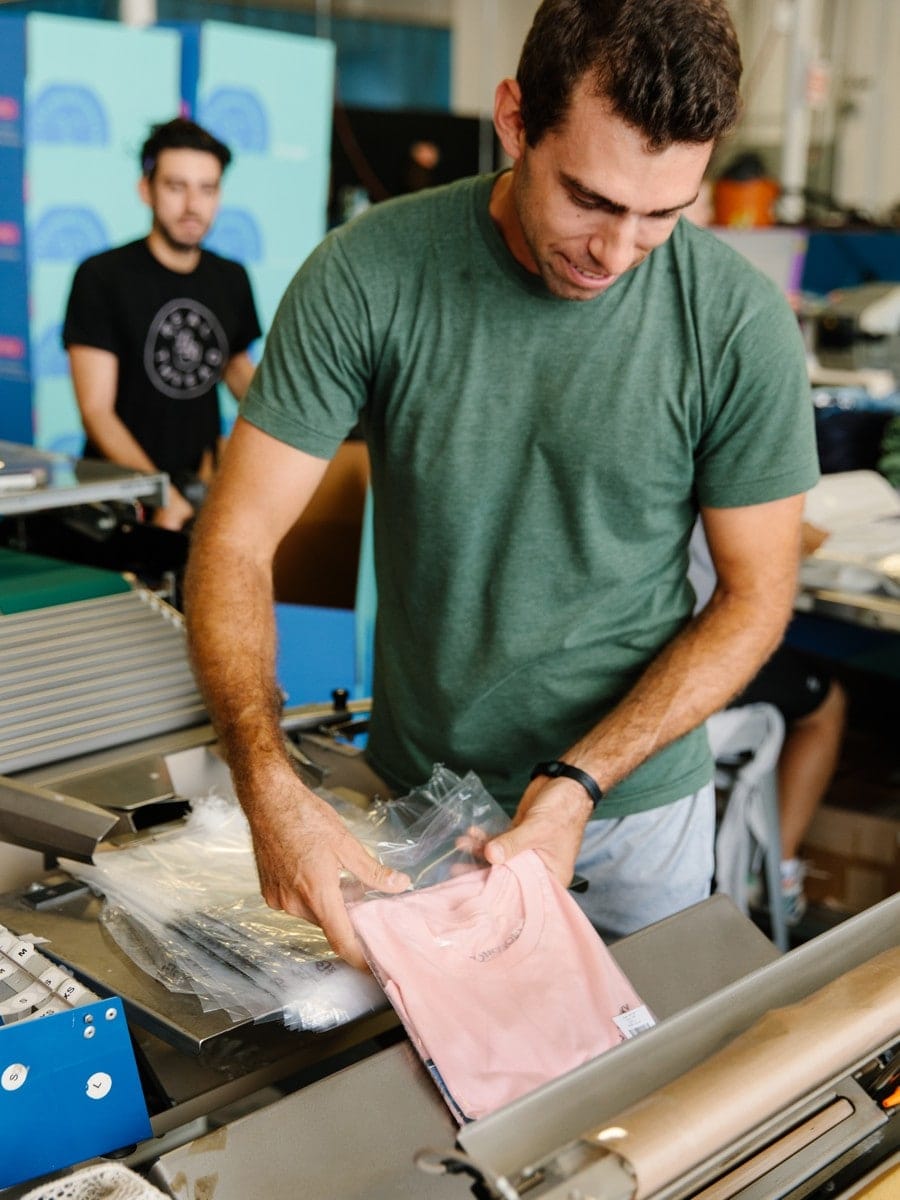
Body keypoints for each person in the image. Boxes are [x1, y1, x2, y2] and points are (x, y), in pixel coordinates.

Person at [185, 0, 820, 970]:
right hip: (421, 809)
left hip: (633, 817)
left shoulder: (735, 324)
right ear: (515, 120)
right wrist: (267, 782)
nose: (617, 254)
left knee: (649, 1106)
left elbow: (756, 594)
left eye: (662, 216)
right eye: (592, 201)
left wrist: (578, 782)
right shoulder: (371, 273)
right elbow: (235, 540)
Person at [63, 117, 262, 531]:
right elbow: (96, 411)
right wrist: (162, 495)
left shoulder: (231, 277)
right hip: (117, 498)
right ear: (146, 189)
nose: (193, 205)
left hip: (201, 492)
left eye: (207, 189)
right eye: (176, 187)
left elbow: (236, 367)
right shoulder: (101, 277)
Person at [689, 521, 847, 924]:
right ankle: (781, 871)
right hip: (697, 659)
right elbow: (793, 540)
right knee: (827, 705)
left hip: (653, 654)